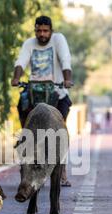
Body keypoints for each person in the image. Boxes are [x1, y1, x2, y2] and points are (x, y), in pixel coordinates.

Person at [11, 15, 73, 187]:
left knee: (60, 132)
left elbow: (66, 59)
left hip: (56, 92)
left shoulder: (59, 39)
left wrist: (67, 79)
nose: (42, 34)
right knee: (23, 109)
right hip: (34, 92)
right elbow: (21, 61)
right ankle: (26, 144)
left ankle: (62, 171)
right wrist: (16, 77)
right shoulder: (29, 43)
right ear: (35, 31)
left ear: (51, 31)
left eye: (45, 31)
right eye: (39, 31)